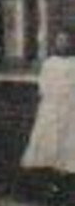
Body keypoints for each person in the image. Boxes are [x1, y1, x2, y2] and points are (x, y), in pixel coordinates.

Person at [23, 32, 75, 175]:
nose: (63, 44)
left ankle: (65, 163)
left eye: (66, 41)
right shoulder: (50, 63)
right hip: (52, 103)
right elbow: (44, 83)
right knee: (49, 130)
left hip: (70, 103)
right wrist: (50, 95)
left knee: (68, 133)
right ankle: (46, 160)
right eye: (60, 40)